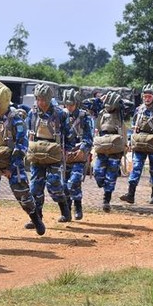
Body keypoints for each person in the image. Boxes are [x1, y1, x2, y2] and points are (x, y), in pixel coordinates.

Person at [0, 83, 44, 237]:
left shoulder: (16, 120)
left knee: (23, 194)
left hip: (13, 163)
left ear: (6, 102)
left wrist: (12, 168)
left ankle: (36, 219)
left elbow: (22, 145)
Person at [26, 84, 72, 227]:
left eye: (44, 100)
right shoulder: (32, 114)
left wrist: (68, 150)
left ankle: (64, 208)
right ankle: (37, 217)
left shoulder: (60, 114)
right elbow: (27, 132)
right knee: (35, 187)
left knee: (54, 184)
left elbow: (69, 135)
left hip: (54, 153)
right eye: (39, 99)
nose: (41, 103)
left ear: (49, 99)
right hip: (37, 153)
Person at [83, 92, 135, 212]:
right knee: (97, 172)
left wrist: (118, 100)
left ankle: (106, 200)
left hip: (115, 147)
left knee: (111, 175)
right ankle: (103, 184)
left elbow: (131, 106)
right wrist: (100, 99)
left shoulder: (120, 112)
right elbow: (85, 103)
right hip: (102, 145)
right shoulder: (100, 110)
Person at [120, 84, 153, 205]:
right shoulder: (138, 110)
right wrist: (131, 140)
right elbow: (133, 126)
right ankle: (130, 194)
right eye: (145, 96)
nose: (147, 99)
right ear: (142, 97)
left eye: (150, 96)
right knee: (136, 168)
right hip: (139, 144)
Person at [60, 90, 94, 220]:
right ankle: (67, 211)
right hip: (64, 155)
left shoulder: (83, 116)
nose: (69, 107)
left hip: (79, 154)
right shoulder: (61, 116)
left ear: (76, 103)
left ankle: (78, 206)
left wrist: (83, 148)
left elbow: (89, 137)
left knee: (74, 181)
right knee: (64, 185)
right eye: (67, 104)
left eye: (72, 104)